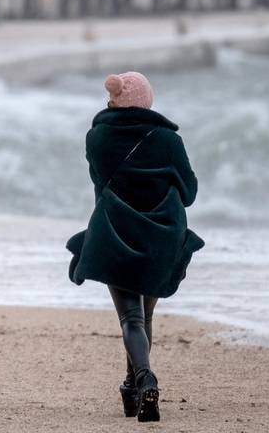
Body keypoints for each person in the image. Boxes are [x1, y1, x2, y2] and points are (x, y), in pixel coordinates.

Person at [66, 71, 203, 423]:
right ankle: (134, 385)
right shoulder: (169, 140)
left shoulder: (96, 137)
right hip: (161, 235)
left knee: (131, 318)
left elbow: (100, 185)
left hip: (117, 230)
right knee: (146, 314)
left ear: (115, 101)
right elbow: (188, 193)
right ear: (147, 102)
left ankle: (141, 380)